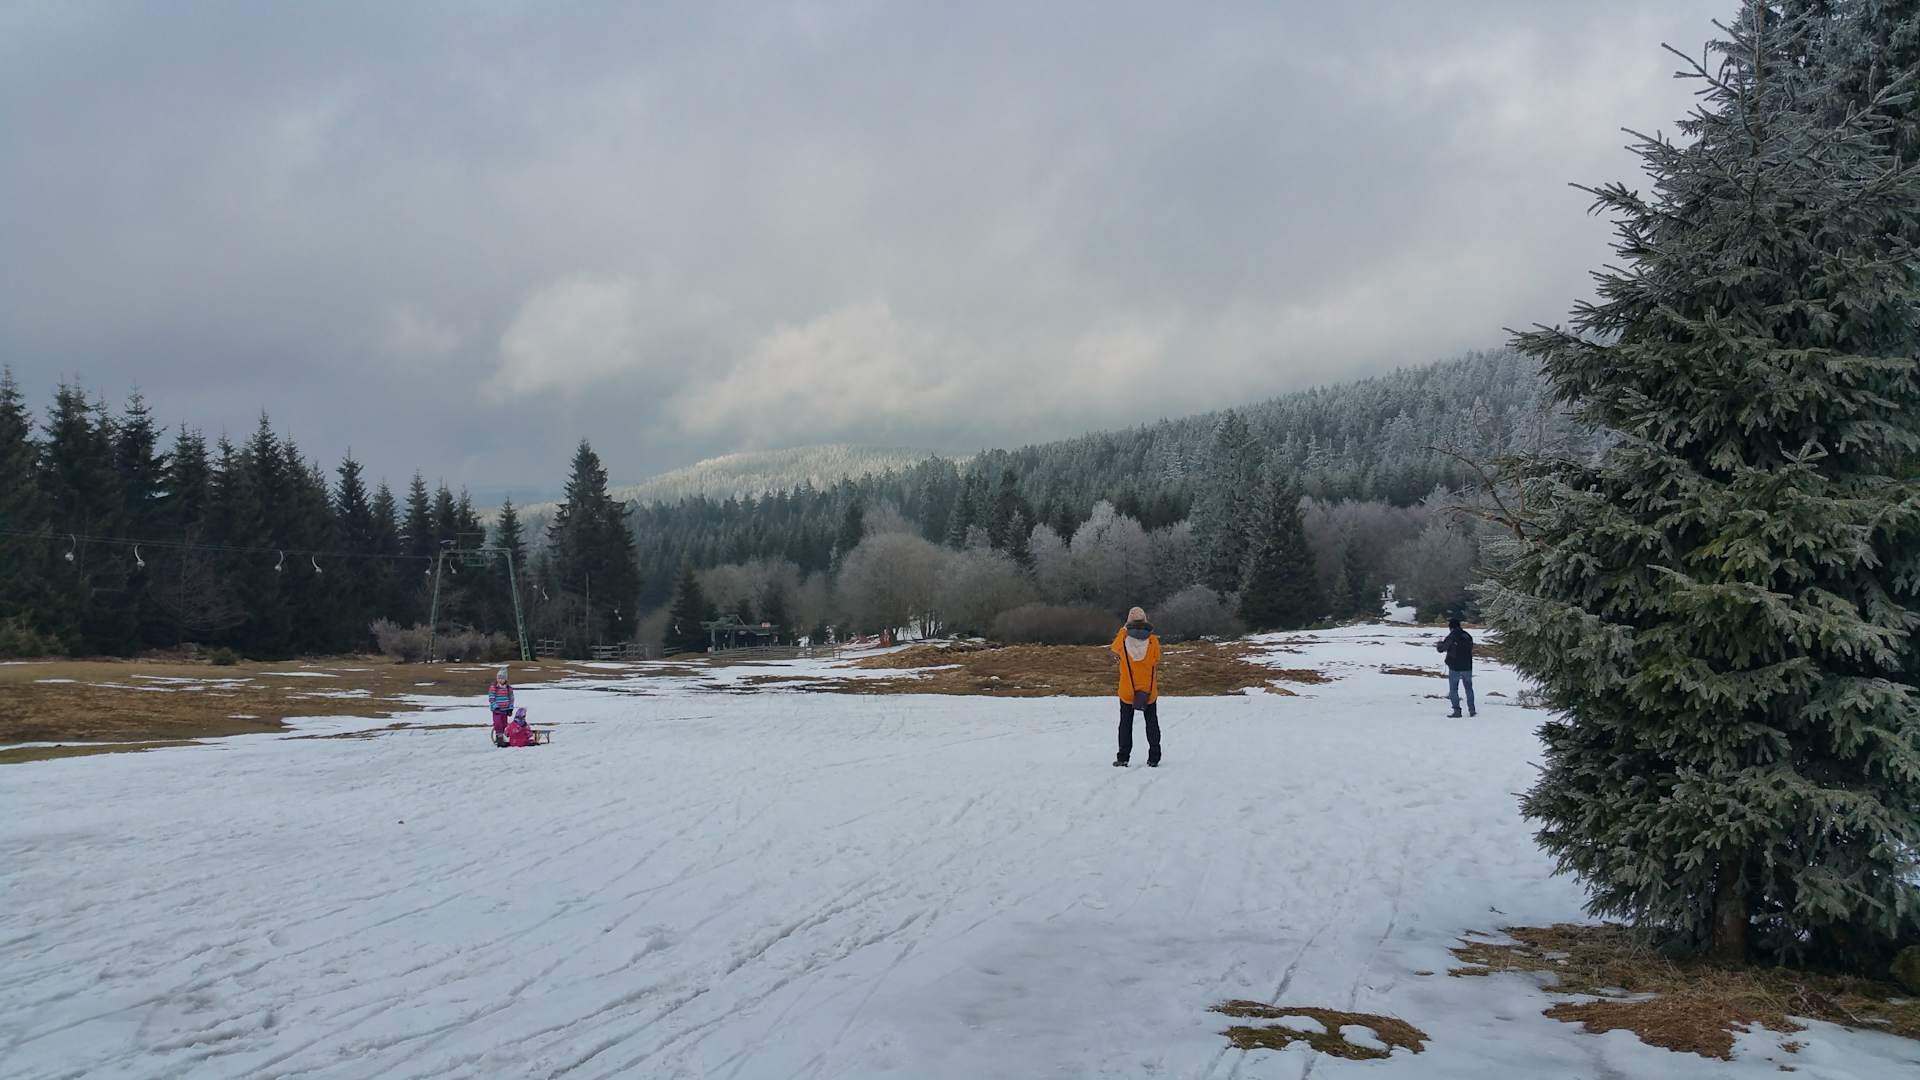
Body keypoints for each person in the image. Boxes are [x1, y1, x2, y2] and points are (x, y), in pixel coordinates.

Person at [1109, 607, 1162, 767]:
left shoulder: (1123, 640)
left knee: (1125, 723)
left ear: (1128, 622)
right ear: (1145, 620)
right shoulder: (1153, 641)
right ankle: (1154, 757)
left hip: (1127, 690)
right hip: (1148, 690)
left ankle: (1123, 757)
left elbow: (1114, 648)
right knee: (1151, 722)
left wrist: (1123, 629)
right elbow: (1157, 659)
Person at [1436, 618, 1475, 717]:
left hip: (1454, 667)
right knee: (1469, 689)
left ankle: (1457, 711)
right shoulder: (1467, 635)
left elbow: (1442, 649)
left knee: (1453, 689)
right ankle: (1472, 710)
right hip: (1467, 666)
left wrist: (1439, 644)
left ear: (1451, 627)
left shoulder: (1451, 636)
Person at [488, 667, 514, 746]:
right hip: (497, 710)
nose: (500, 680)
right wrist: (495, 706)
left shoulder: (508, 688)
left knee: (504, 724)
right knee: (498, 723)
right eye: (499, 678)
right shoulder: (494, 687)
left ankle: (502, 737)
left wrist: (510, 708)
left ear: (505, 679)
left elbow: (511, 698)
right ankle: (499, 738)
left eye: (502, 678)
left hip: (505, 709)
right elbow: (491, 697)